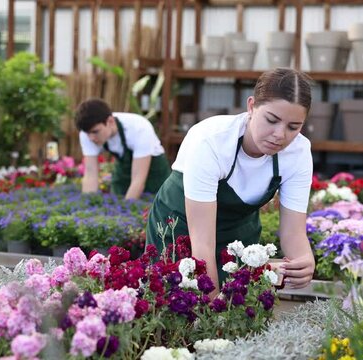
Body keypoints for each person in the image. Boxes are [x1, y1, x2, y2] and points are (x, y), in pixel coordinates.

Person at [146, 68, 316, 292]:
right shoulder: (211, 141)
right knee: (178, 305)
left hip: (238, 234)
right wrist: (213, 308)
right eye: (272, 120)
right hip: (180, 228)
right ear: (251, 106)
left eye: (293, 127)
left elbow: (293, 232)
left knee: (240, 305)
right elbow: (202, 244)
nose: (280, 135)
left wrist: (304, 260)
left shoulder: (298, 152)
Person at [76, 98, 170, 199]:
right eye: (87, 133)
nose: (91, 138)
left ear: (110, 121)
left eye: (95, 132)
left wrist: (125, 209)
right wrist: (87, 205)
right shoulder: (87, 133)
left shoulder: (139, 128)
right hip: (123, 171)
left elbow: (138, 180)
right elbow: (90, 173)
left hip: (154, 173)